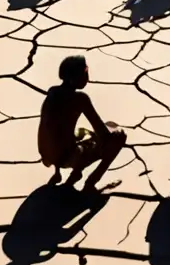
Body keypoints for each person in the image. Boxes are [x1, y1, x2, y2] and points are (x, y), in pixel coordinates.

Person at [37, 55, 127, 192]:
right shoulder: (80, 99)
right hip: (67, 157)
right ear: (76, 77)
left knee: (78, 132)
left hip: (47, 155)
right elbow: (103, 134)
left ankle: (61, 173)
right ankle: (90, 182)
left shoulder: (52, 92)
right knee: (119, 136)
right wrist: (112, 132)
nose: (87, 76)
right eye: (85, 72)